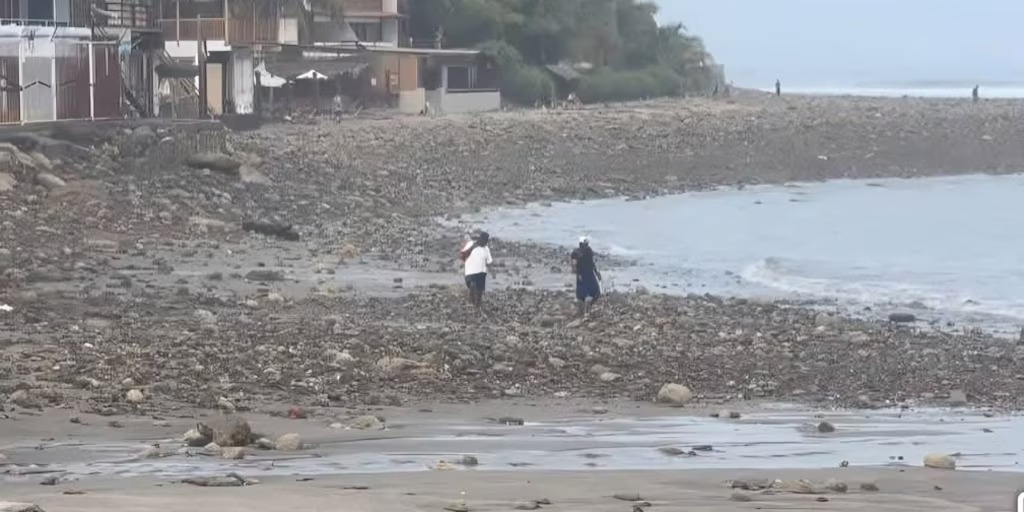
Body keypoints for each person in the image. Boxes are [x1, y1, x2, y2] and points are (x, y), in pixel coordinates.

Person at [570, 236, 602, 317]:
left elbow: (574, 266)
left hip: (584, 274)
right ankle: (586, 310)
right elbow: (592, 263)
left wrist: (577, 273)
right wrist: (596, 272)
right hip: (588, 273)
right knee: (594, 292)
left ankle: (585, 310)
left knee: (584, 294)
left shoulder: (576, 252)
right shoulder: (588, 251)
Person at [463, 231, 493, 313]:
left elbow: (489, 261)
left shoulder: (486, 249)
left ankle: (477, 306)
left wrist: (492, 271)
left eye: (487, 241)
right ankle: (471, 303)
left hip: (481, 273)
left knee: (479, 290)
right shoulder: (473, 246)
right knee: (473, 286)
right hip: (471, 271)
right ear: (481, 240)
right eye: (485, 241)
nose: (485, 243)